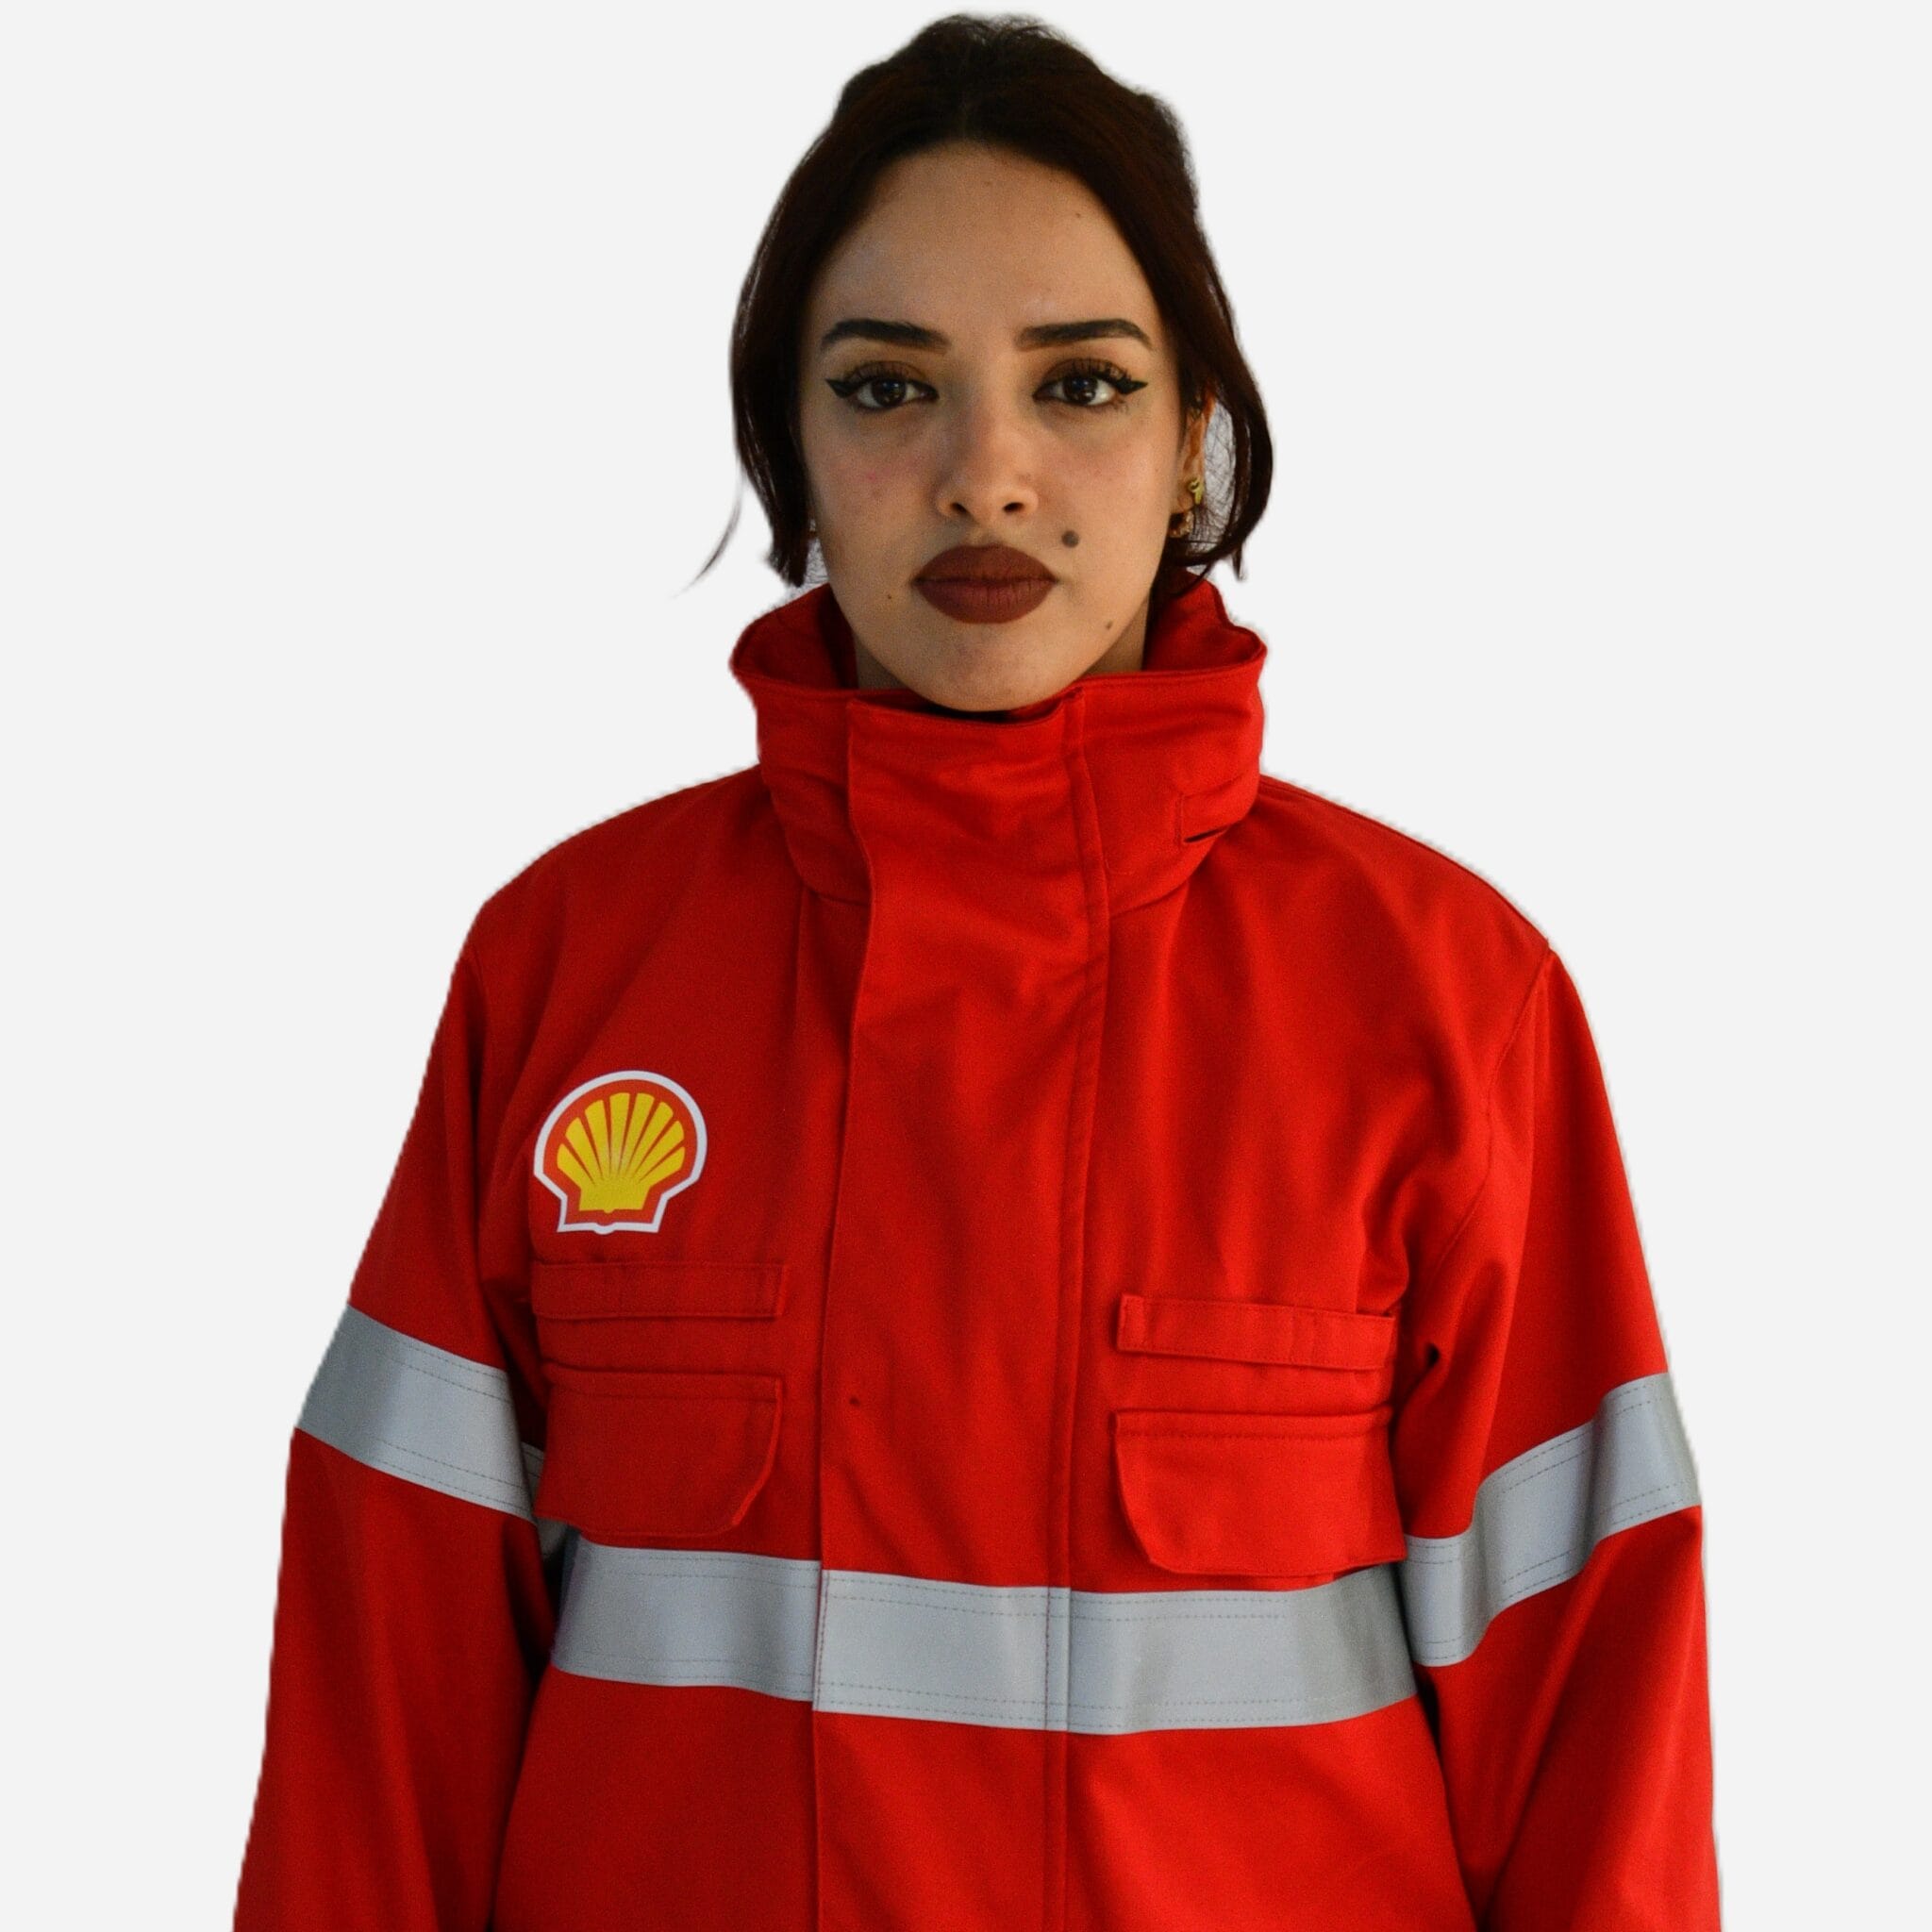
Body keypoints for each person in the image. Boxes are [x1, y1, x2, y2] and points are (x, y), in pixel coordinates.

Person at [232, 14, 1722, 1929]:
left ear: (1192, 439)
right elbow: (379, 1710)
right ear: (789, 443)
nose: (985, 474)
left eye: (1081, 383)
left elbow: (1598, 1738)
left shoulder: (1444, 1004)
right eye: (886, 388)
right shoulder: (570, 970)